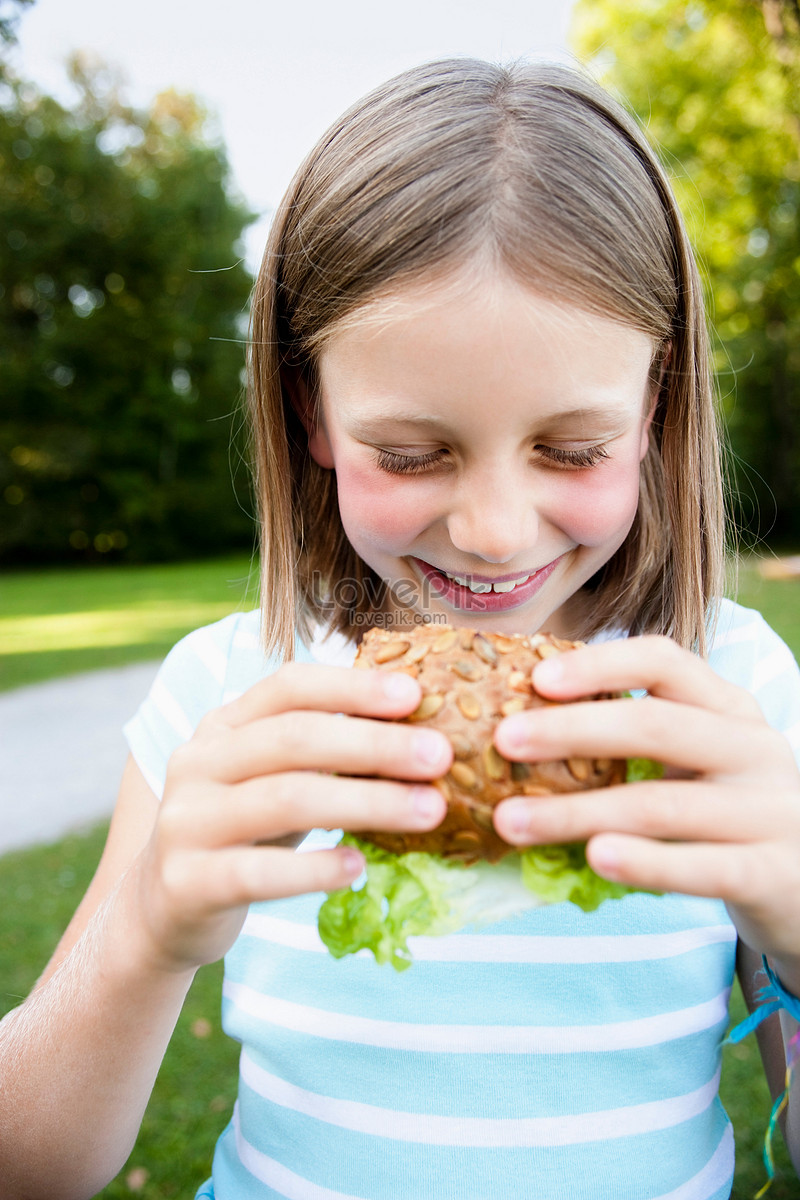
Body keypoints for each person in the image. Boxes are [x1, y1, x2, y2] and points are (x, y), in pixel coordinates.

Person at [1, 57, 799, 1200]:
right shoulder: (228, 695)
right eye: (410, 454)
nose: (489, 529)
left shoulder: (731, 695)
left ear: (655, 401)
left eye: (570, 450)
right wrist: (145, 934)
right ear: (309, 413)